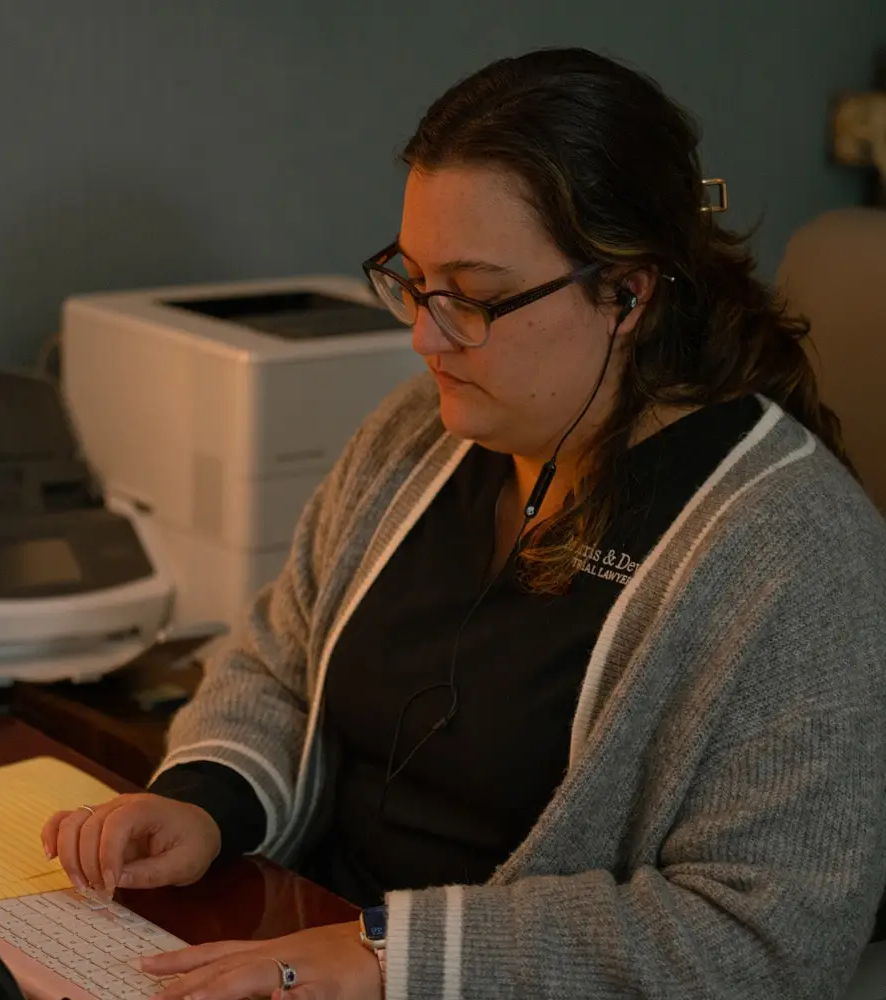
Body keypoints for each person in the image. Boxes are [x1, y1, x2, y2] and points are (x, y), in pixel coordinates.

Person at [43, 48, 886, 1000]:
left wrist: (388, 958)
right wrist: (205, 801)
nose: (424, 335)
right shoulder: (419, 438)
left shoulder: (794, 554)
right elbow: (280, 660)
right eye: (412, 280)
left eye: (476, 298)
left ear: (627, 294)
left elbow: (764, 937)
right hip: (295, 948)